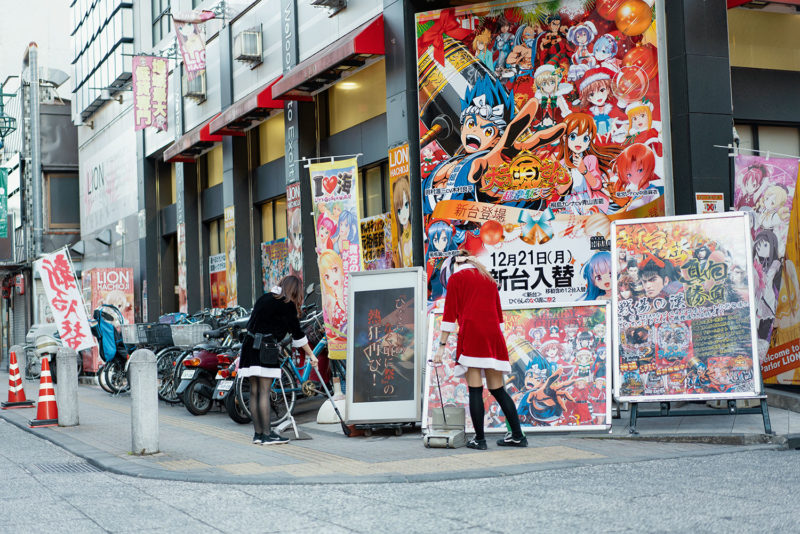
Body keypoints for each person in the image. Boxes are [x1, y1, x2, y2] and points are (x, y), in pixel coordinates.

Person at [433, 251, 527, 450]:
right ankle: (518, 436)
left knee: (475, 390)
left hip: (473, 335)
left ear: (456, 262)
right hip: (493, 337)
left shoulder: (457, 279)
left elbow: (449, 316)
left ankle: (480, 440)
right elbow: (498, 315)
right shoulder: (488, 279)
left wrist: (441, 346)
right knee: (498, 390)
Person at [239, 276, 318, 445]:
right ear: (296, 291)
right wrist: (312, 355)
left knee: (254, 391)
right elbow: (298, 335)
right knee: (265, 392)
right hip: (265, 348)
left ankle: (258, 434)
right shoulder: (286, 305)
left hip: (249, 346)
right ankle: (268, 435)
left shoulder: (264, 298)